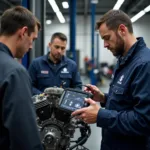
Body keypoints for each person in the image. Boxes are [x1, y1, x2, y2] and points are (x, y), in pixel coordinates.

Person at [72, 9, 150, 150]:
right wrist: (103, 98)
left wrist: (101, 116)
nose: (105, 45)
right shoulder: (123, 60)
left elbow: (144, 120)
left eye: (107, 38)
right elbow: (127, 102)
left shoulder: (145, 65)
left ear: (122, 30)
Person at [0, 6, 43, 150]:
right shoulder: (14, 72)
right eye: (33, 39)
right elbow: (26, 139)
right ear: (23, 32)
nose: (31, 46)